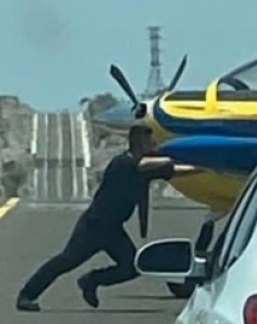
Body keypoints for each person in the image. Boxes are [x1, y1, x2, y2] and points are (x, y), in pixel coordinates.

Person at [16, 124, 196, 312]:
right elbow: (157, 165)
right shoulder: (122, 163)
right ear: (140, 143)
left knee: (132, 267)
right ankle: (26, 295)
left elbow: (174, 170)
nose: (155, 145)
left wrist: (205, 167)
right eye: (151, 142)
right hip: (94, 226)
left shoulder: (145, 167)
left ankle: (91, 280)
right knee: (66, 261)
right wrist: (169, 156)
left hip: (113, 229)